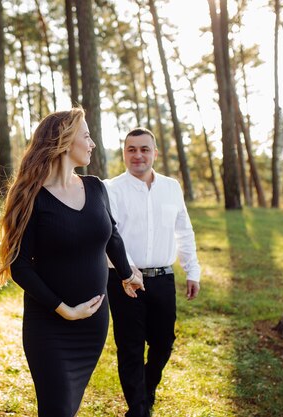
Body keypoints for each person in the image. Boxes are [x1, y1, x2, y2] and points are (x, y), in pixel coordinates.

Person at [0, 108, 143, 417]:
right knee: (57, 409)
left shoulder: (96, 187)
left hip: (93, 324)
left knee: (68, 407)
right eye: (86, 136)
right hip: (50, 325)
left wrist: (127, 274)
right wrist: (65, 309)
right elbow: (19, 266)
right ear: (63, 142)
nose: (92, 143)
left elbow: (111, 235)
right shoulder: (32, 197)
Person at [105, 127, 201, 417]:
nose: (138, 155)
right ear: (124, 153)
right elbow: (112, 233)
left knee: (163, 342)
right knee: (130, 347)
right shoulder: (111, 189)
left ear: (155, 153)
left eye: (144, 149)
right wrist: (127, 270)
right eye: (131, 149)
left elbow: (183, 230)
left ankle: (147, 387)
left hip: (163, 278)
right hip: (123, 280)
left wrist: (192, 270)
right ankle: (138, 409)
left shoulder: (171, 187)